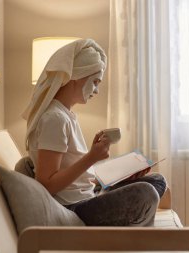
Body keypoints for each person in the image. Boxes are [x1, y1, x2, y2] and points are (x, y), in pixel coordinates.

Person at [22, 38, 166, 226]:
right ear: (76, 77)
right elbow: (47, 184)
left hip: (87, 195)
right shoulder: (54, 119)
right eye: (95, 81)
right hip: (74, 207)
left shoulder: (66, 115)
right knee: (146, 194)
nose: (96, 90)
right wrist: (91, 157)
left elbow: (69, 169)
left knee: (157, 180)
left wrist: (109, 172)